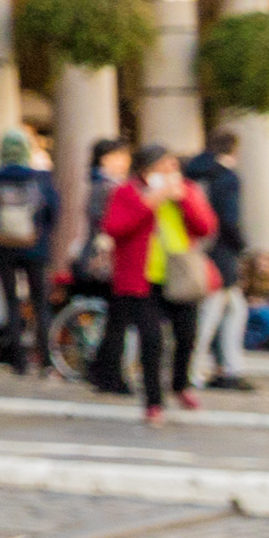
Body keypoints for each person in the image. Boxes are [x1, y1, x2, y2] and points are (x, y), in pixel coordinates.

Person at [97, 138, 216, 421]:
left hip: (179, 275)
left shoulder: (185, 190)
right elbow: (115, 228)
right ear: (148, 168)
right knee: (151, 339)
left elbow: (206, 226)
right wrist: (151, 201)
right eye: (165, 165)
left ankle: (180, 383)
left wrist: (184, 200)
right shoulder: (127, 192)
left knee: (187, 333)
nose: (171, 169)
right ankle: (154, 401)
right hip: (143, 277)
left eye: (173, 165)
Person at [0, 131, 61, 377]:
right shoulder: (41, 179)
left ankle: (17, 361)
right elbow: (53, 210)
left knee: (11, 302)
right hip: (36, 248)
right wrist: (40, 234)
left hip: (2, 249)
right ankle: (46, 360)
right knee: (40, 303)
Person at [183, 130, 255, 393]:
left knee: (232, 308)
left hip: (195, 247)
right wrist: (241, 244)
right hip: (221, 251)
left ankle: (230, 366)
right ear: (233, 150)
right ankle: (196, 368)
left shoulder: (192, 172)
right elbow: (229, 218)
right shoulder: (227, 177)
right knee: (212, 312)